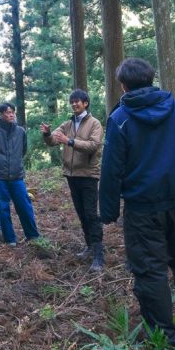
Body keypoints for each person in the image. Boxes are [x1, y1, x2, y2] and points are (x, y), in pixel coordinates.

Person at [99, 58, 175, 348]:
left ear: (123, 85)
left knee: (150, 271)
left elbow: (111, 167)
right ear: (151, 79)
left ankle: (164, 337)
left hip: (142, 209)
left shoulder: (120, 118)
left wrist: (108, 210)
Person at [40, 89, 105, 270]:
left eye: (78, 101)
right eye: (72, 101)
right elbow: (53, 140)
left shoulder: (94, 123)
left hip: (88, 175)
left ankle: (99, 254)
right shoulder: (68, 123)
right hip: (72, 175)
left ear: (86, 103)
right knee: (82, 213)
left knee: (91, 214)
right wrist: (47, 134)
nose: (74, 104)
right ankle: (89, 245)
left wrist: (69, 141)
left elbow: (93, 146)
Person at [0, 102, 40, 246]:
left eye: (12, 112)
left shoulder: (20, 131)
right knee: (2, 209)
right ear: (1, 114)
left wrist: (15, 164)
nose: (11, 115)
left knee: (24, 205)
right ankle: (10, 239)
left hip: (17, 176)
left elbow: (23, 150)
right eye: (8, 112)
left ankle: (33, 236)